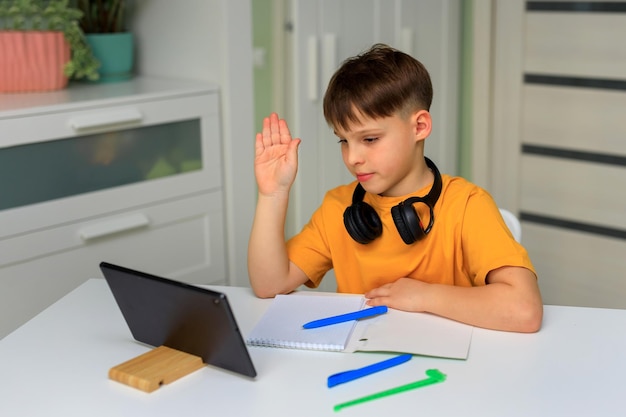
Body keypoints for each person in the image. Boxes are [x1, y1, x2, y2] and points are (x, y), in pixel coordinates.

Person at [248, 44, 543, 333]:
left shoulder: (467, 205)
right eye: (343, 141)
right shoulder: (337, 207)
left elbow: (524, 310)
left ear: (419, 126)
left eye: (370, 139)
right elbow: (268, 285)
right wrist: (272, 194)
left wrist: (425, 296)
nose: (353, 158)